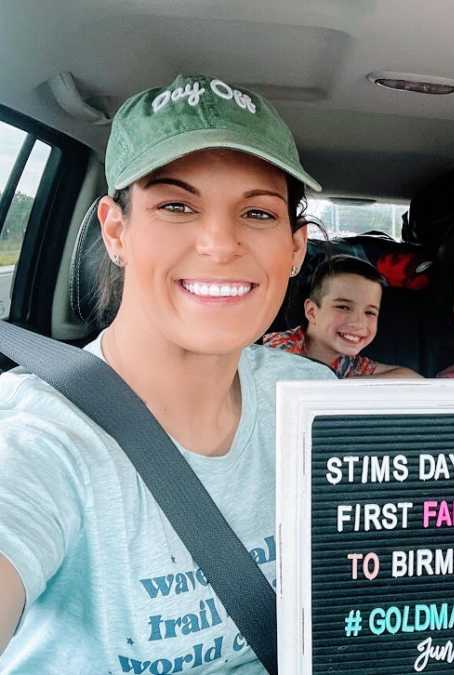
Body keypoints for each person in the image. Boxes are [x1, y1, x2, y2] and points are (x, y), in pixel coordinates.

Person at [0, 74, 336, 672]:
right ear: (116, 230)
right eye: (176, 205)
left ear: (294, 249)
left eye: (257, 212)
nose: (218, 242)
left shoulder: (310, 398)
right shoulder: (37, 436)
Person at [263, 254, 421, 378]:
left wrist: (347, 385)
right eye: (344, 307)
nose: (359, 322)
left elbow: (412, 379)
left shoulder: (349, 364)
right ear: (312, 312)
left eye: (370, 312)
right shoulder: (279, 349)